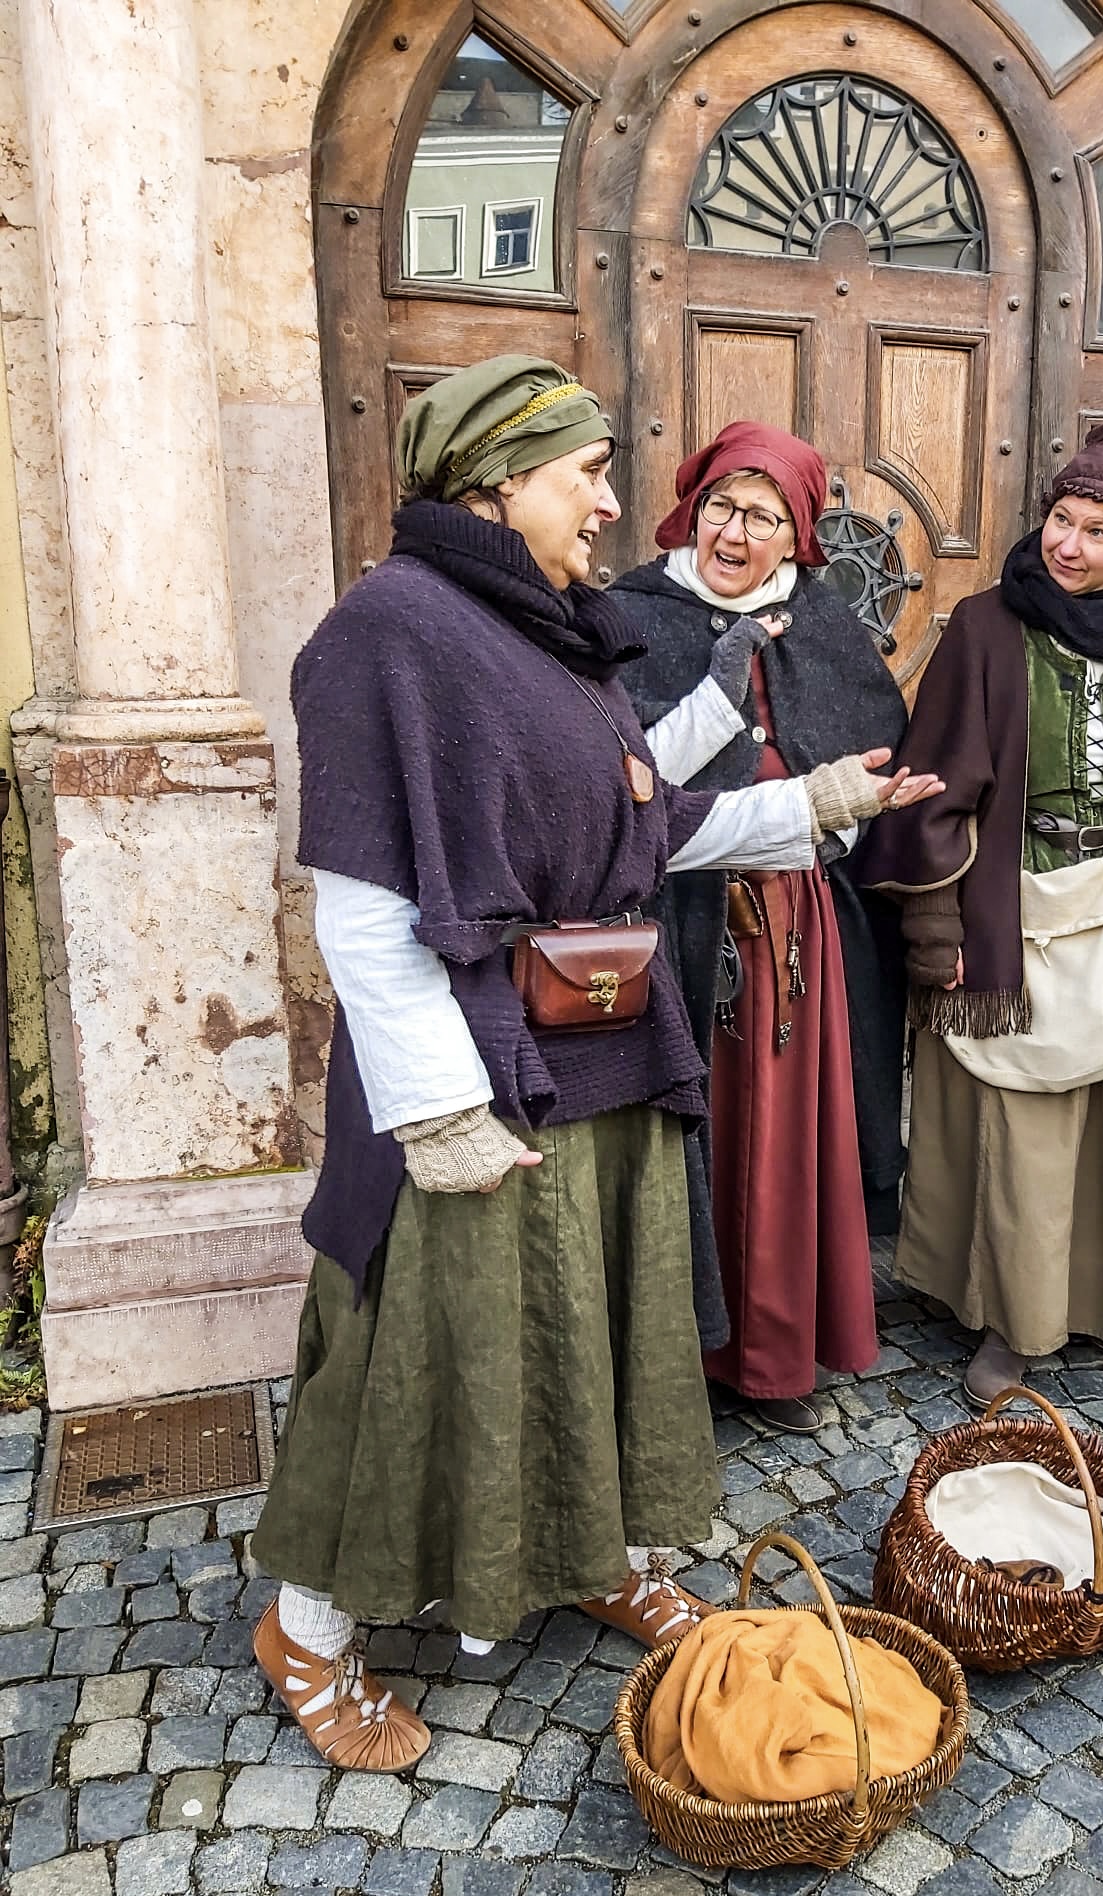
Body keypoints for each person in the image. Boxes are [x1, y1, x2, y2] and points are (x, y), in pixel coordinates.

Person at [247, 358, 942, 1772]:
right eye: (586, 472)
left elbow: (643, 837)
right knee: (421, 1359)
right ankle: (309, 1630)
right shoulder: (390, 632)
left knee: (606, 1330)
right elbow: (363, 905)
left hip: (612, 1062)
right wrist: (435, 1108)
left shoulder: (557, 638)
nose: (618, 502)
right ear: (500, 478)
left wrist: (810, 801)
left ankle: (597, 1551)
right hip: (481, 1083)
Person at [858, 424, 1103, 1409]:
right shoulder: (987, 627)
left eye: (1095, 531)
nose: (1067, 545)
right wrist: (937, 929)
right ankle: (1012, 1317)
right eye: (1059, 520)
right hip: (1015, 912)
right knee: (1024, 1127)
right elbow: (933, 788)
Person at [615, 423, 910, 1434]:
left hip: (791, 924)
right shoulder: (628, 616)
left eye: (765, 517)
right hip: (674, 923)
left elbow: (873, 754)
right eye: (723, 509)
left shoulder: (822, 623)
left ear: (799, 539)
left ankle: (775, 1357)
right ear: (691, 508)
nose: (736, 533)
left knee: (785, 1141)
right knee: (688, 1137)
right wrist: (721, 684)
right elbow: (624, 785)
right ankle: (680, 1359)